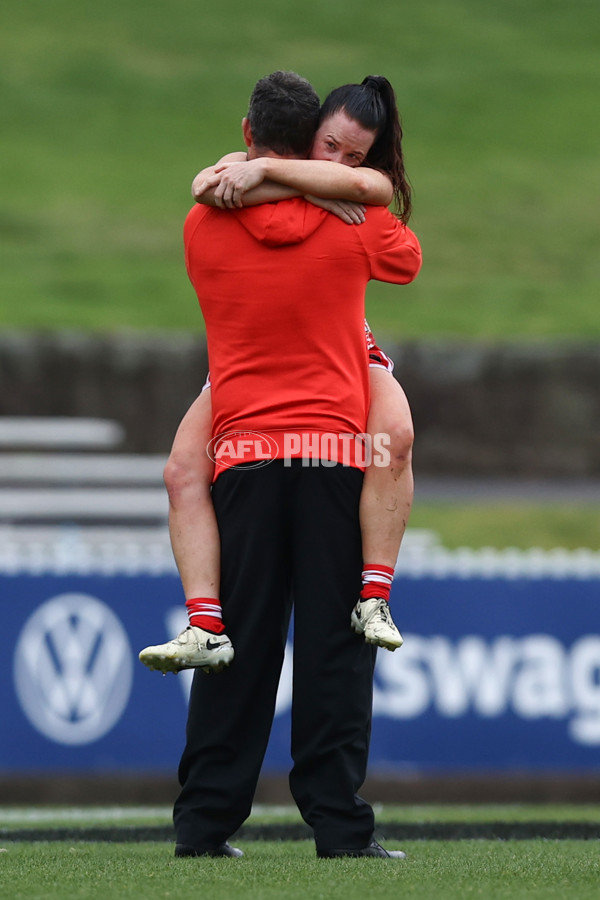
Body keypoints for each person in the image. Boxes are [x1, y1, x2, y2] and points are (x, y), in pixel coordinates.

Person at [170, 70, 421, 859]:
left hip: (242, 453)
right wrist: (332, 192)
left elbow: (224, 200)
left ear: (249, 135)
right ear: (315, 145)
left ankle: (204, 825)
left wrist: (255, 177)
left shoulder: (201, 225)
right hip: (338, 450)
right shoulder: (355, 221)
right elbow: (406, 258)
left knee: (237, 647)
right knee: (333, 652)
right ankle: (340, 828)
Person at [139, 75, 416, 675]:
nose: (340, 165)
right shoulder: (343, 207)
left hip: (322, 362)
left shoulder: (346, 192)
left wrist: (270, 177)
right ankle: (205, 623)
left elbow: (368, 187)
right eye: (331, 148)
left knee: (396, 437)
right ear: (308, 134)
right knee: (181, 469)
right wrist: (290, 185)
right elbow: (209, 184)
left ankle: (375, 595)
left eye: (354, 158)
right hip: (296, 376)